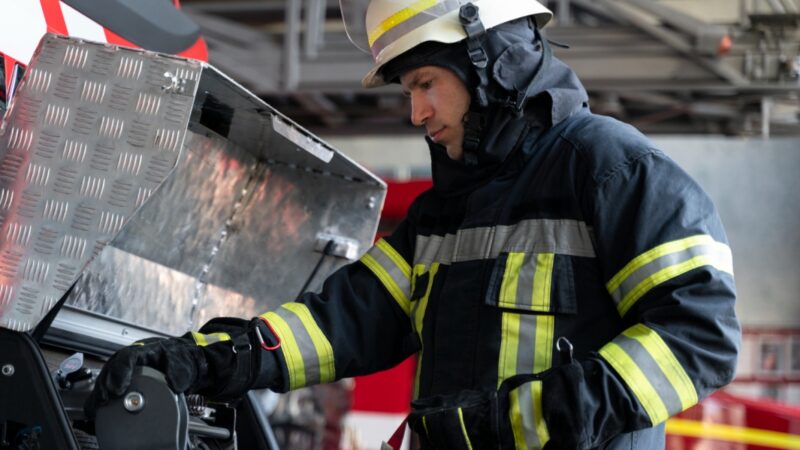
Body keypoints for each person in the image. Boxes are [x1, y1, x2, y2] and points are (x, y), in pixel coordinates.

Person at [86, 1, 741, 448]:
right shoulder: (444, 214)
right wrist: (202, 359)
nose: (417, 111)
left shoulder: (609, 170)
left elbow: (699, 333)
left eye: (426, 82)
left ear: (491, 60)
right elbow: (340, 321)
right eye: (408, 91)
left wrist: (526, 422)